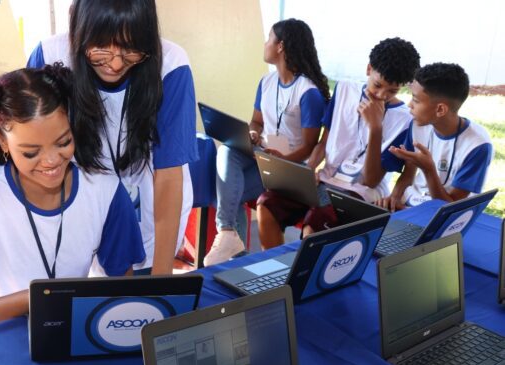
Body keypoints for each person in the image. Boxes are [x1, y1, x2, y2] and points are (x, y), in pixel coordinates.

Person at [0, 64, 145, 335]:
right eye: (30, 152)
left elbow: (123, 291)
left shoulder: (104, 191)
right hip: (4, 341)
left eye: (63, 143)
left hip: (74, 335)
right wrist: (38, 297)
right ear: (2, 141)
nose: (50, 161)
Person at [27, 0, 197, 275]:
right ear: (78, 30)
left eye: (131, 49)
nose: (116, 64)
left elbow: (168, 174)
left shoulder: (171, 64)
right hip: (77, 205)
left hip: (153, 208)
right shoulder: (49, 56)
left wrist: (163, 278)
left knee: (142, 295)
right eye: (101, 47)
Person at [206, 18, 328, 258]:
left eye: (268, 38)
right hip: (265, 157)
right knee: (227, 150)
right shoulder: (266, 82)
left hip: (292, 167)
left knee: (232, 193)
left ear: (280, 46)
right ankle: (228, 233)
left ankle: (237, 257)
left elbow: (308, 147)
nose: (265, 44)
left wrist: (283, 158)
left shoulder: (308, 92)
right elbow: (257, 122)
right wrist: (252, 133)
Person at [310, 37, 420, 208]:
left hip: (362, 193)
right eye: (377, 85)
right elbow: (324, 143)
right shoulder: (344, 90)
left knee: (318, 217)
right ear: (369, 69)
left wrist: (376, 128)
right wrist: (308, 170)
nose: (382, 95)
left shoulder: (405, 121)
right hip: (327, 180)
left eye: (392, 91)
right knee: (269, 201)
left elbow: (370, 180)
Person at [377, 62, 493, 210]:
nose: (409, 105)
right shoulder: (417, 126)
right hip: (411, 205)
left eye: (416, 100)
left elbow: (450, 210)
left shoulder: (478, 146)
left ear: (440, 109)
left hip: (443, 217)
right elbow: (408, 175)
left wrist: (428, 170)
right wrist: (393, 200)